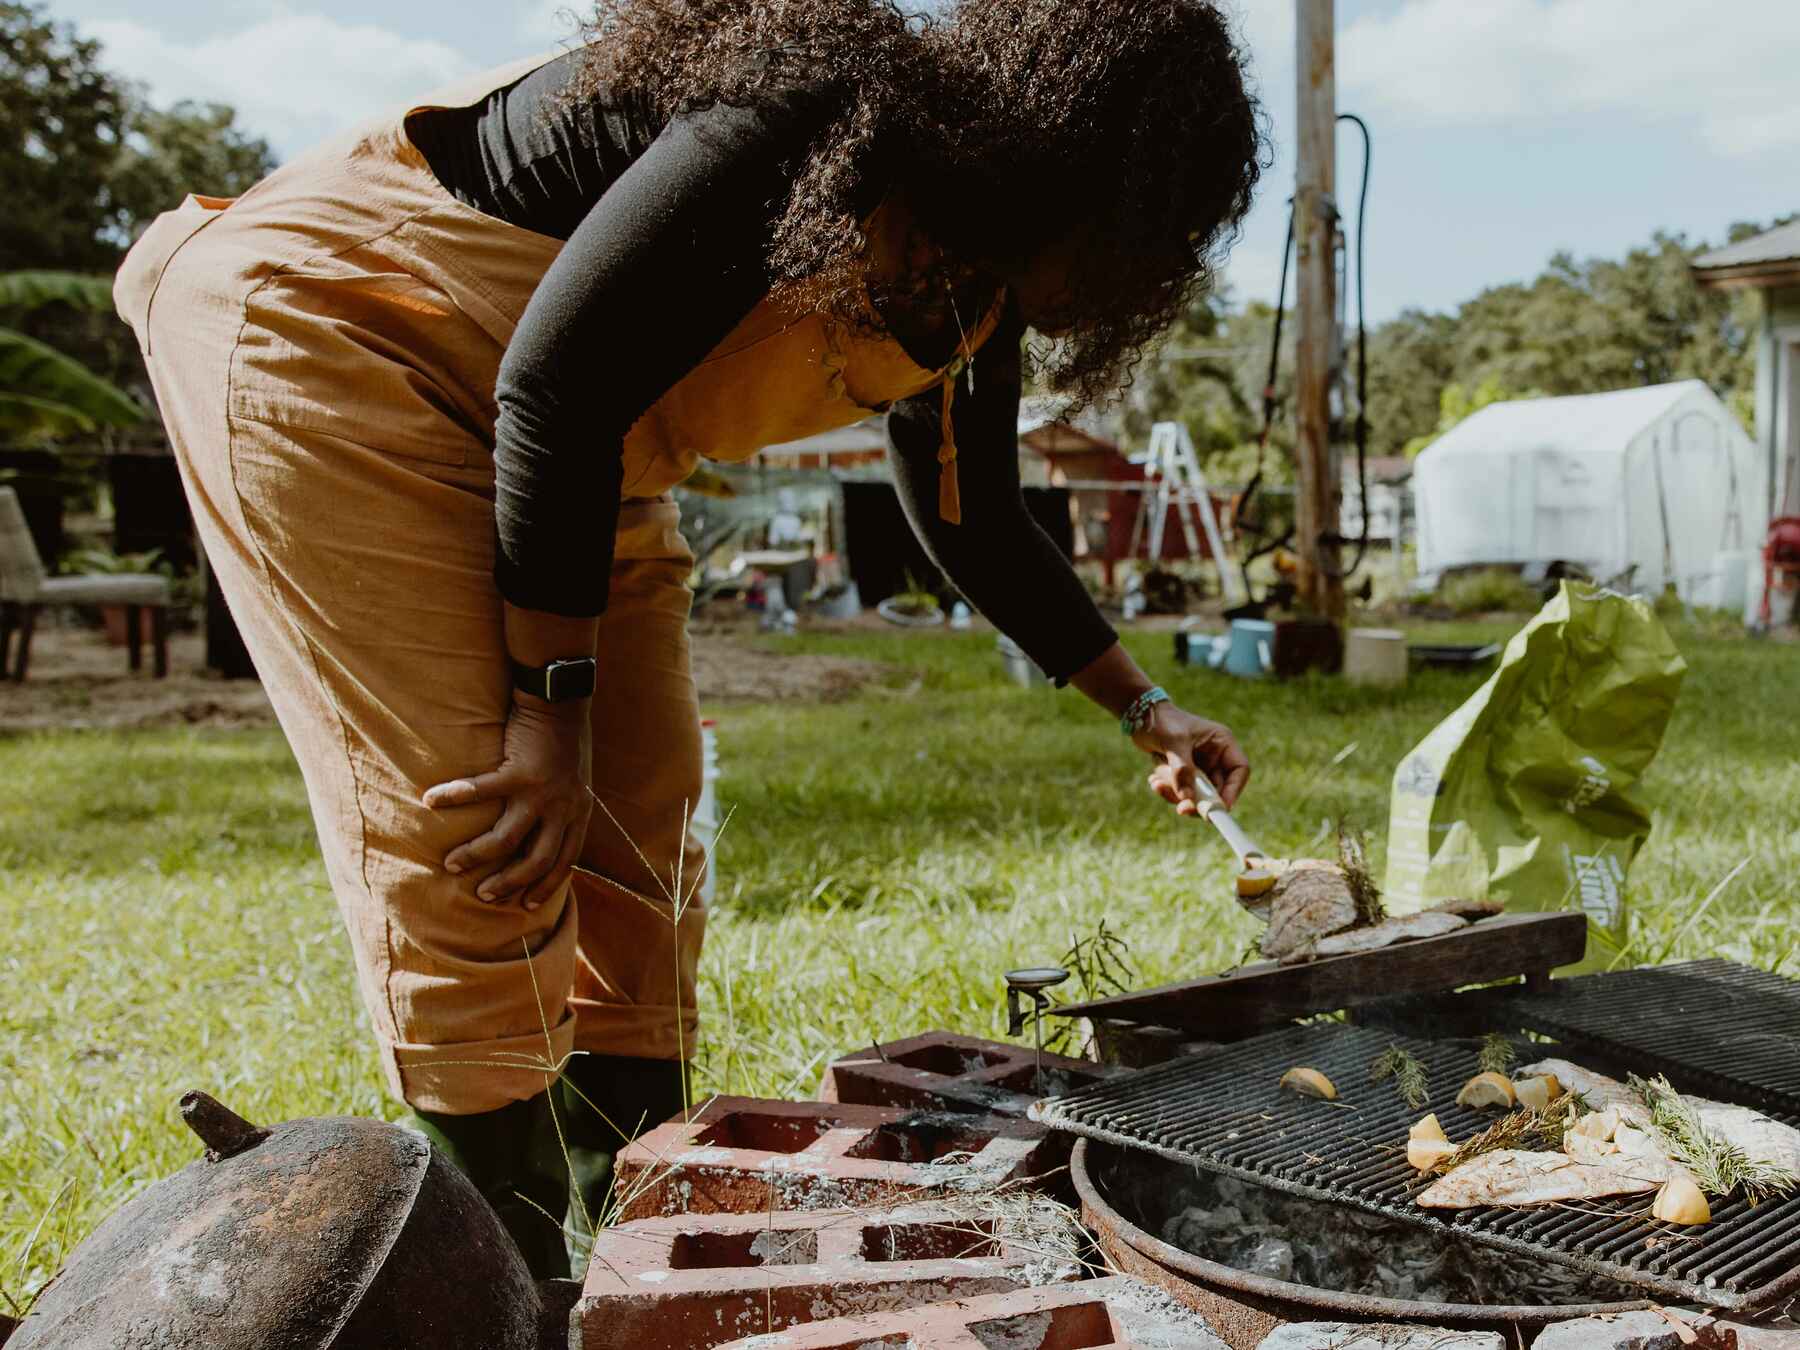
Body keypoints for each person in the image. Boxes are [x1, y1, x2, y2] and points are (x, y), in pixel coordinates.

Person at [114, 0, 1262, 1276]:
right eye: (1115, 227)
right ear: (1056, 157)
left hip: (578, 446)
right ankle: (512, 1279)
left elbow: (976, 522)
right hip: (341, 336)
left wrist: (1144, 708)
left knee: (640, 832)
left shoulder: (970, 279)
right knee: (480, 825)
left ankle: (644, 1246)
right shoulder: (807, 122)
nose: (1100, 279)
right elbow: (557, 380)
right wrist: (549, 711)